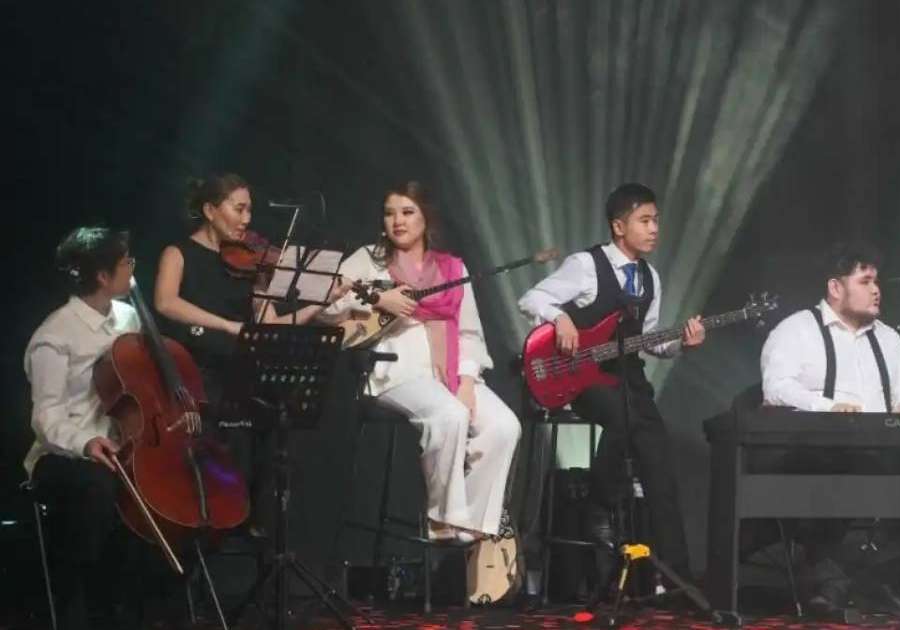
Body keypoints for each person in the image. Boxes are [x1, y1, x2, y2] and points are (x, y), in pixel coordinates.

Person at [517, 182, 705, 581]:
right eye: (645, 220)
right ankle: (600, 506)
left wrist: (682, 345)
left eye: (656, 221)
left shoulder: (650, 277)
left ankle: (676, 574)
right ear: (619, 226)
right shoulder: (586, 265)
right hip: (582, 376)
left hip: (628, 377)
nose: (655, 228)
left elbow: (652, 339)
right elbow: (531, 298)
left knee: (659, 459)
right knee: (624, 419)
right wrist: (561, 318)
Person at [320, 181, 521, 540]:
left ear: (425, 219)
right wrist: (378, 300)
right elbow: (328, 307)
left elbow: (470, 334)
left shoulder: (452, 268)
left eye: (407, 212)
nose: (397, 220)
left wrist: (468, 381)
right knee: (449, 415)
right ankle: (444, 518)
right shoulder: (369, 259)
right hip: (394, 370)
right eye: (390, 212)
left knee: (504, 426)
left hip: (450, 369)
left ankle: (471, 525)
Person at [153, 173, 348, 533]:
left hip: (240, 373)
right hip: (194, 374)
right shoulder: (177, 253)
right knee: (219, 450)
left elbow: (269, 325)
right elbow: (166, 303)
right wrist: (226, 325)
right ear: (211, 210)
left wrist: (319, 304)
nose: (246, 220)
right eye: (239, 209)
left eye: (249, 211)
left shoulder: (251, 267)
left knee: (274, 438)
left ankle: (252, 525)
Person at [759, 241, 900, 617]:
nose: (877, 289)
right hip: (812, 454)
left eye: (877, 281)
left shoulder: (889, 337)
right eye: (866, 280)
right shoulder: (796, 330)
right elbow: (776, 387)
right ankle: (830, 585)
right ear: (836, 288)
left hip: (879, 451)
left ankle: (876, 578)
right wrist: (829, 407)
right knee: (833, 470)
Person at [25, 227, 139, 629]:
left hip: (118, 445)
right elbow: (46, 415)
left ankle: (139, 606)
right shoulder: (53, 336)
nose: (132, 268)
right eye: (126, 262)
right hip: (63, 455)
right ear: (103, 277)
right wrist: (85, 441)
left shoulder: (127, 317)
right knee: (97, 490)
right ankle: (83, 611)